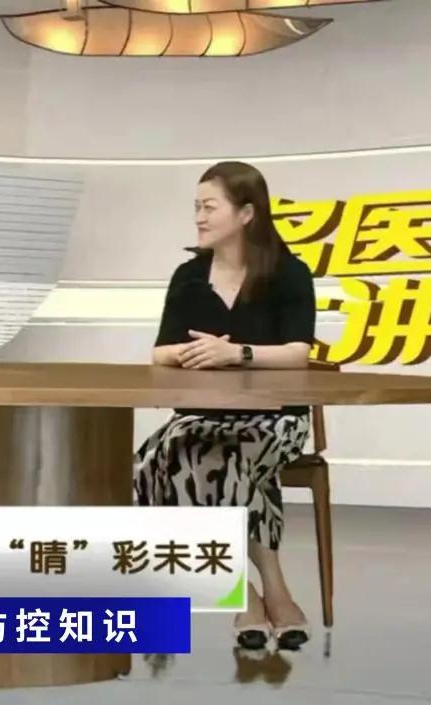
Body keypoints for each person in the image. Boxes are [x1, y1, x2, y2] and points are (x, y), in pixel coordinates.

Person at [134, 161, 316, 652]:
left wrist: (237, 353)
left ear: (247, 213)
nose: (198, 217)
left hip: (276, 418)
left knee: (214, 456)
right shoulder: (188, 277)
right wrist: (190, 352)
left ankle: (253, 594)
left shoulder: (289, 274)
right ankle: (260, 591)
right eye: (196, 207)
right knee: (164, 458)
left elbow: (298, 353)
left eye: (209, 207)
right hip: (201, 417)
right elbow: (160, 352)